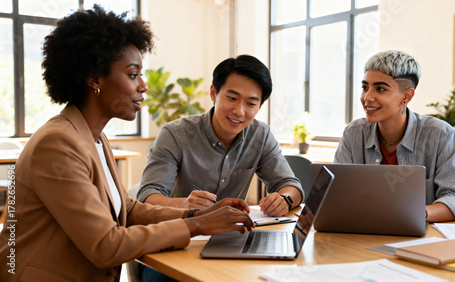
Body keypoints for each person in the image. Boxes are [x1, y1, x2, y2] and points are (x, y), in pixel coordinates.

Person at [0, 5, 254, 282]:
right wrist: (197, 225)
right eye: (133, 75)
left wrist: (198, 212)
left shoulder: (94, 137)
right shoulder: (58, 143)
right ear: (94, 78)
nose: (143, 86)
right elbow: (105, 245)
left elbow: (127, 210)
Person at [137, 55, 304, 218]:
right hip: (183, 230)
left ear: (259, 107)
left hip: (234, 233)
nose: (239, 111)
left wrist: (284, 200)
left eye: (251, 103)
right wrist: (185, 204)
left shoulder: (261, 135)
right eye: (232, 98)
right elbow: (148, 195)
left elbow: (290, 185)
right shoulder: (175, 135)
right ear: (213, 93)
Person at [334, 50, 455, 223]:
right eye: (365, 87)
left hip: (429, 240)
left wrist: (410, 214)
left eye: (380, 89)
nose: (367, 97)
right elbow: (336, 193)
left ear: (406, 96)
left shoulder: (441, 135)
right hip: (369, 236)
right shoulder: (354, 133)